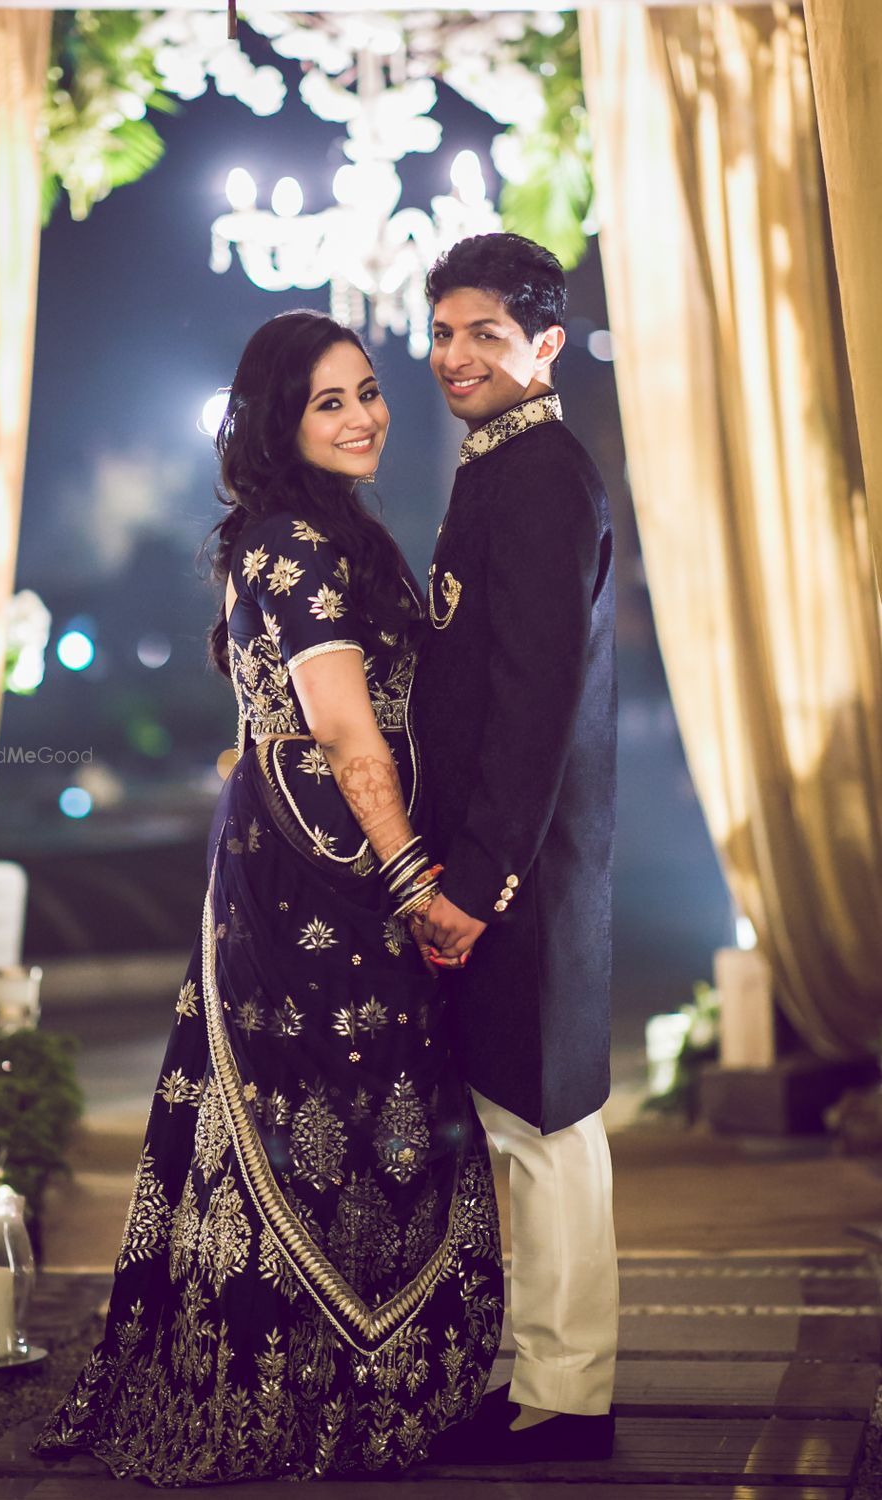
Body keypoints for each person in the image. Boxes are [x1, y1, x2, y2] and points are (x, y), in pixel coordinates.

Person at [31, 311, 503, 1485]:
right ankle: (304, 1397)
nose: (363, 417)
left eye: (367, 391)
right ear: (276, 424)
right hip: (319, 874)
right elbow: (346, 736)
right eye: (328, 403)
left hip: (307, 857)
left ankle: (349, 1387)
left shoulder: (333, 530)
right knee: (326, 1112)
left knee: (365, 1108)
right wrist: (415, 885)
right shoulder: (288, 542)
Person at [413, 233, 619, 1463]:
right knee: (524, 1128)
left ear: (543, 346)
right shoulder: (499, 466)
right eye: (441, 334)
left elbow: (534, 696)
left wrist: (476, 882)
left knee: (542, 1133)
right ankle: (553, 1378)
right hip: (510, 860)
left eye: (482, 335)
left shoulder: (538, 475)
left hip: (521, 868)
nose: (453, 358)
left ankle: (566, 1399)